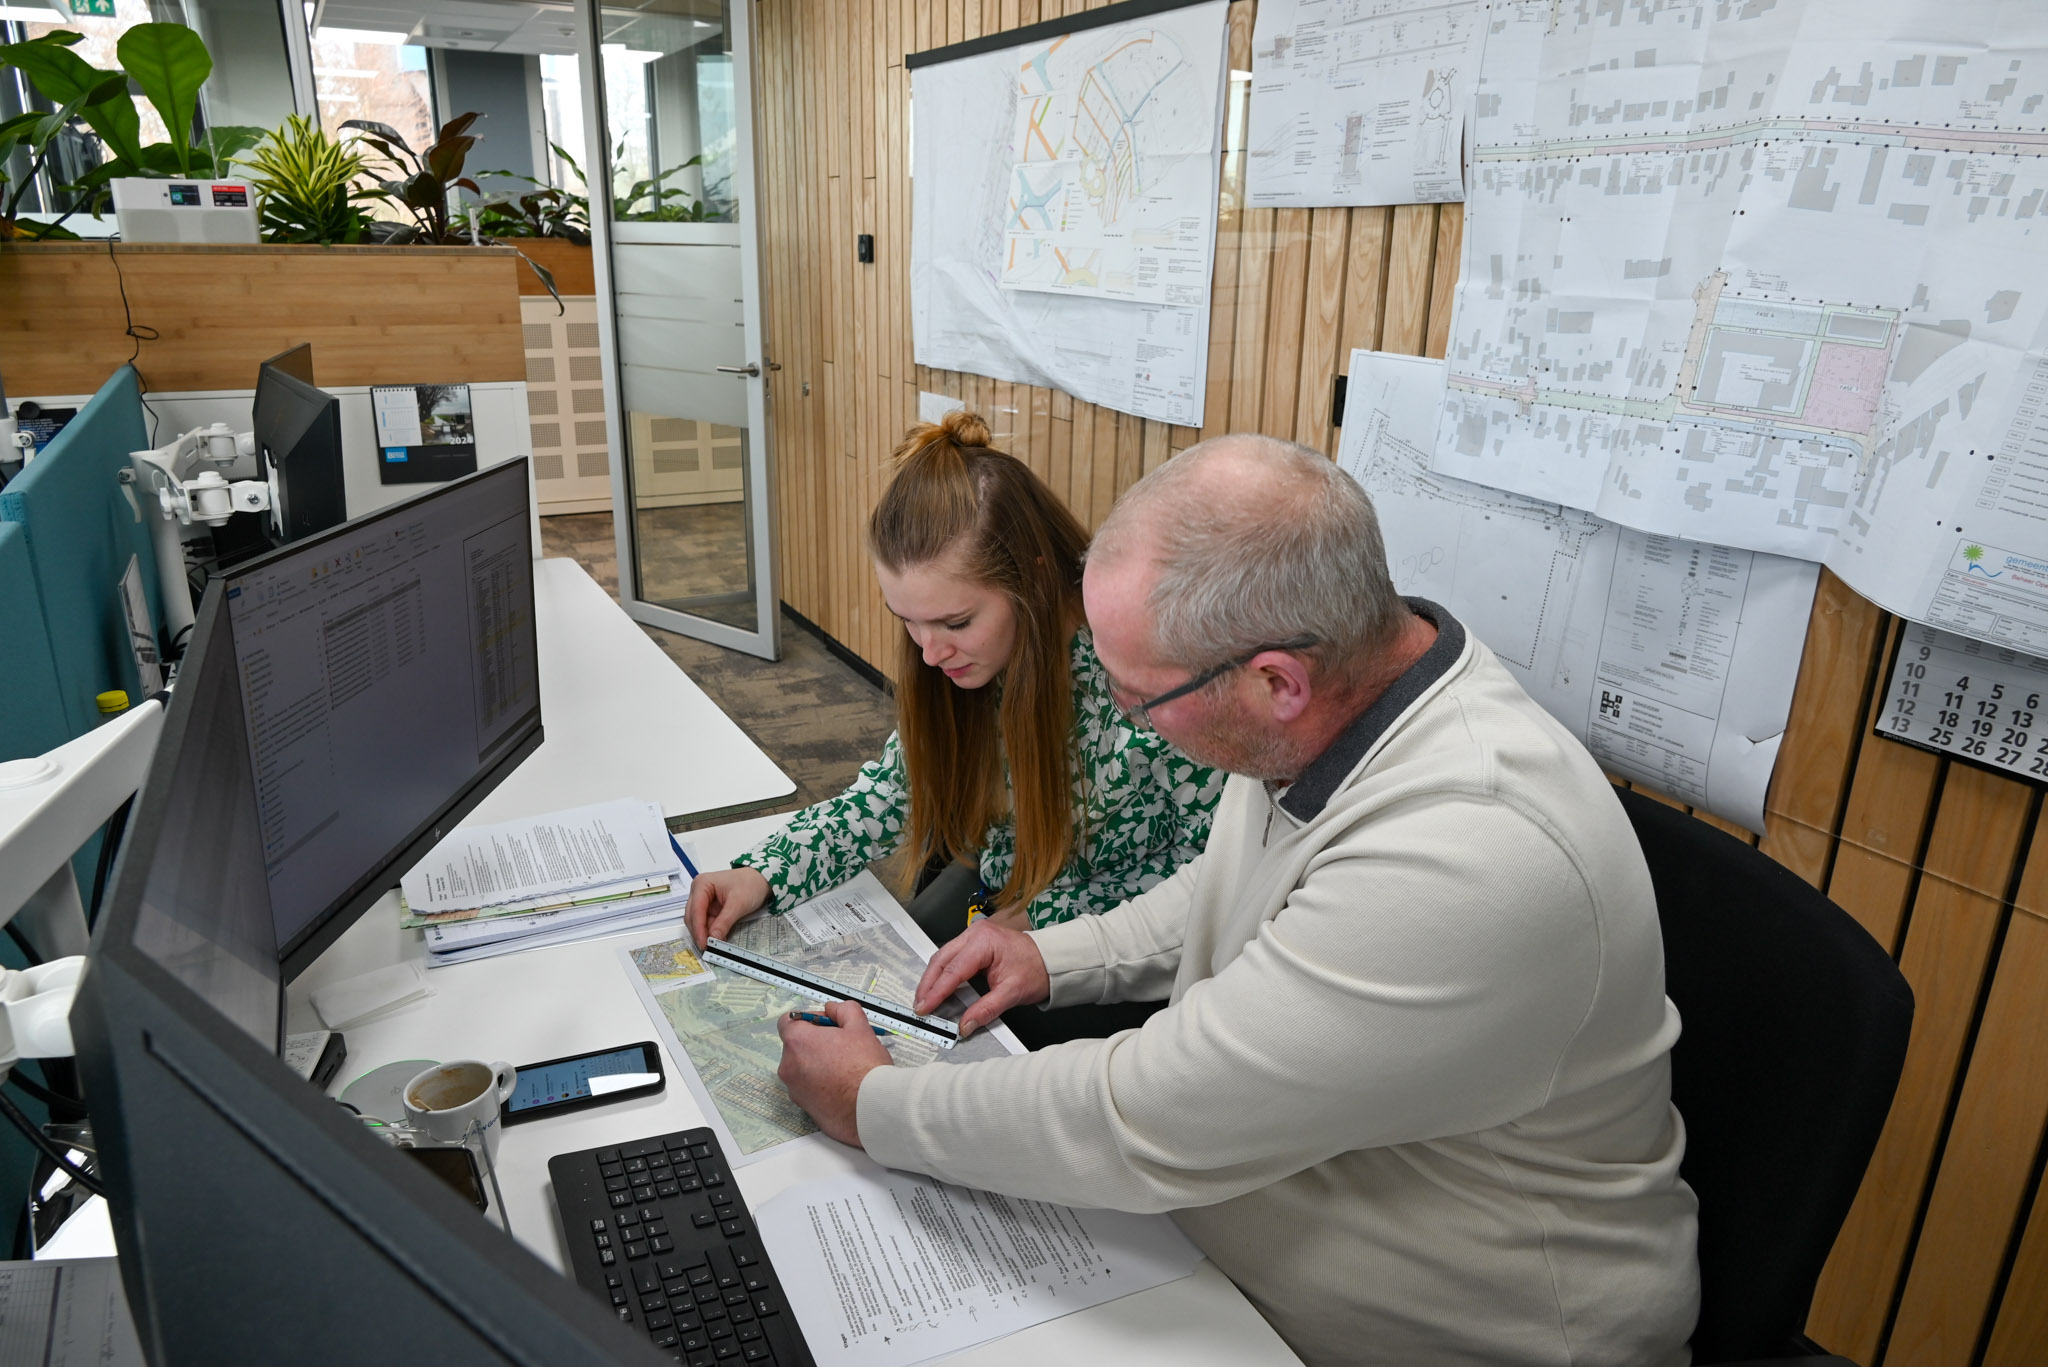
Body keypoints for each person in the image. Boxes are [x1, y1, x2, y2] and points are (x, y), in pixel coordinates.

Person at [773, 434, 1702, 1366]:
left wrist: (875, 1102)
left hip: (1464, 1329)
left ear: (1275, 681)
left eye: (1140, 701)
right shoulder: (1348, 694)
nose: (1128, 715)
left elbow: (1148, 1116)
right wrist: (1061, 954)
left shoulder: (1469, 853)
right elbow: (1232, 886)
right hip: (1261, 1224)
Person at [685, 411, 1224, 991]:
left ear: (1034, 580)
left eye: (957, 622)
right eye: (908, 622)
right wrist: (763, 873)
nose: (930, 653)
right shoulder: (973, 658)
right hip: (1005, 899)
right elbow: (895, 791)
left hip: (1120, 959)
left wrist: (1052, 915)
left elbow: (1218, 869)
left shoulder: (1148, 680)